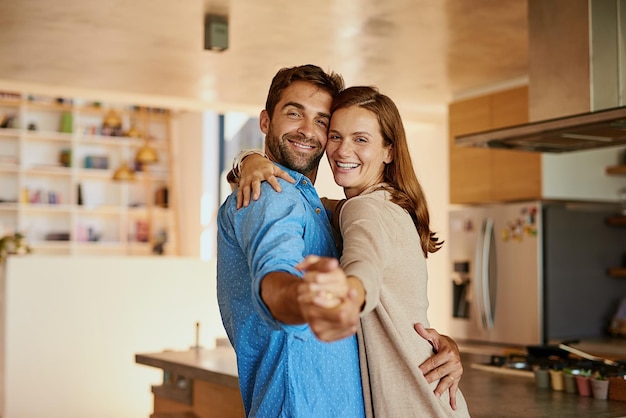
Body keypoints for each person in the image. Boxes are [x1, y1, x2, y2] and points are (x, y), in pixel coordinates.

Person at [217, 65, 463, 417]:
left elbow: (370, 268)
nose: (308, 130)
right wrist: (312, 299)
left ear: (388, 151)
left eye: (321, 122)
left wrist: (246, 159)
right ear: (265, 122)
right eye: (293, 113)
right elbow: (275, 276)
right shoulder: (271, 195)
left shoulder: (336, 208)